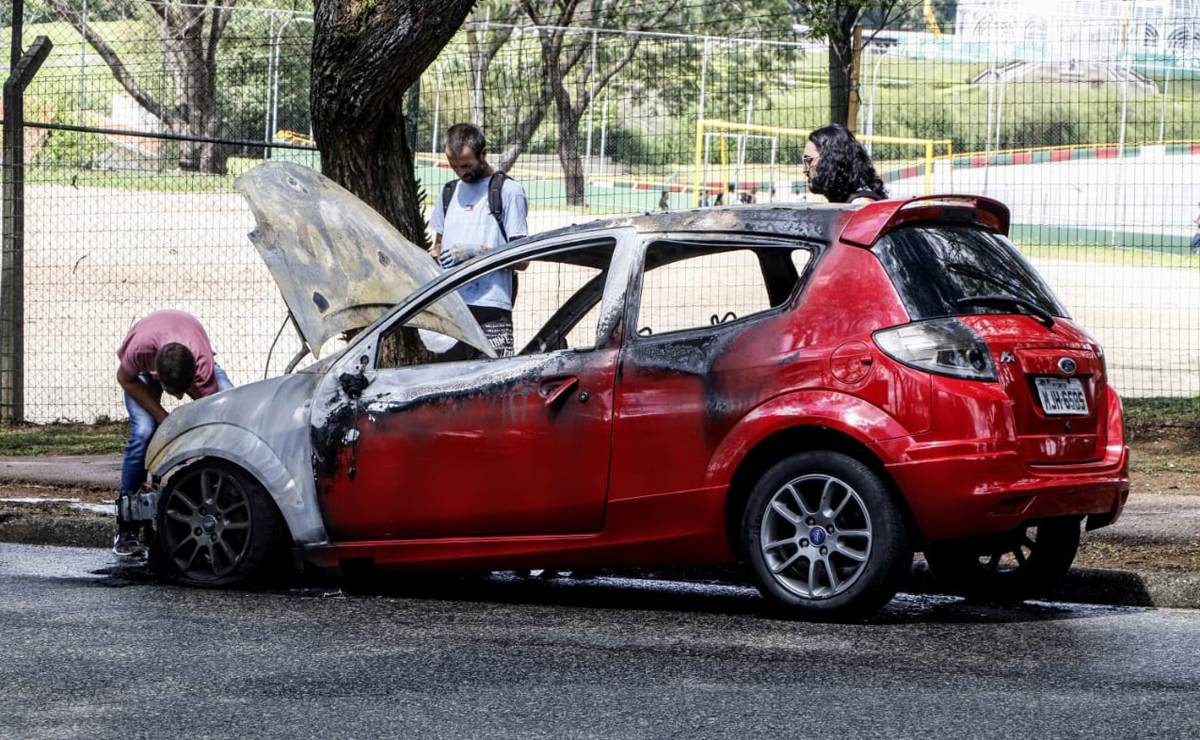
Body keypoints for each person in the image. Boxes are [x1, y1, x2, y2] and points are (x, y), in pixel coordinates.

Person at [114, 310, 233, 556]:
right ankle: (126, 524)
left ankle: (225, 499)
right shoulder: (139, 351)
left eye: (183, 392)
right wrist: (162, 417)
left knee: (228, 415)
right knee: (144, 431)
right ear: (156, 376)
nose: (179, 399)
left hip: (192, 350)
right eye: (174, 393)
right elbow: (125, 378)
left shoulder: (201, 370)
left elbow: (214, 424)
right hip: (148, 356)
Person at [430, 123, 529, 356]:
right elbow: (438, 246)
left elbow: (522, 260)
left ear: (483, 154)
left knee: (490, 377)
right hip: (451, 305)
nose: (460, 172)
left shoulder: (508, 191)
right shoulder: (449, 192)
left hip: (490, 306)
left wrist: (478, 252)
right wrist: (432, 257)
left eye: (466, 165)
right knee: (446, 377)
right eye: (454, 165)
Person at [802, 123, 887, 205]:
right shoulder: (848, 200)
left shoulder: (860, 205)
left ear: (831, 161)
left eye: (809, 160)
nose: (804, 170)